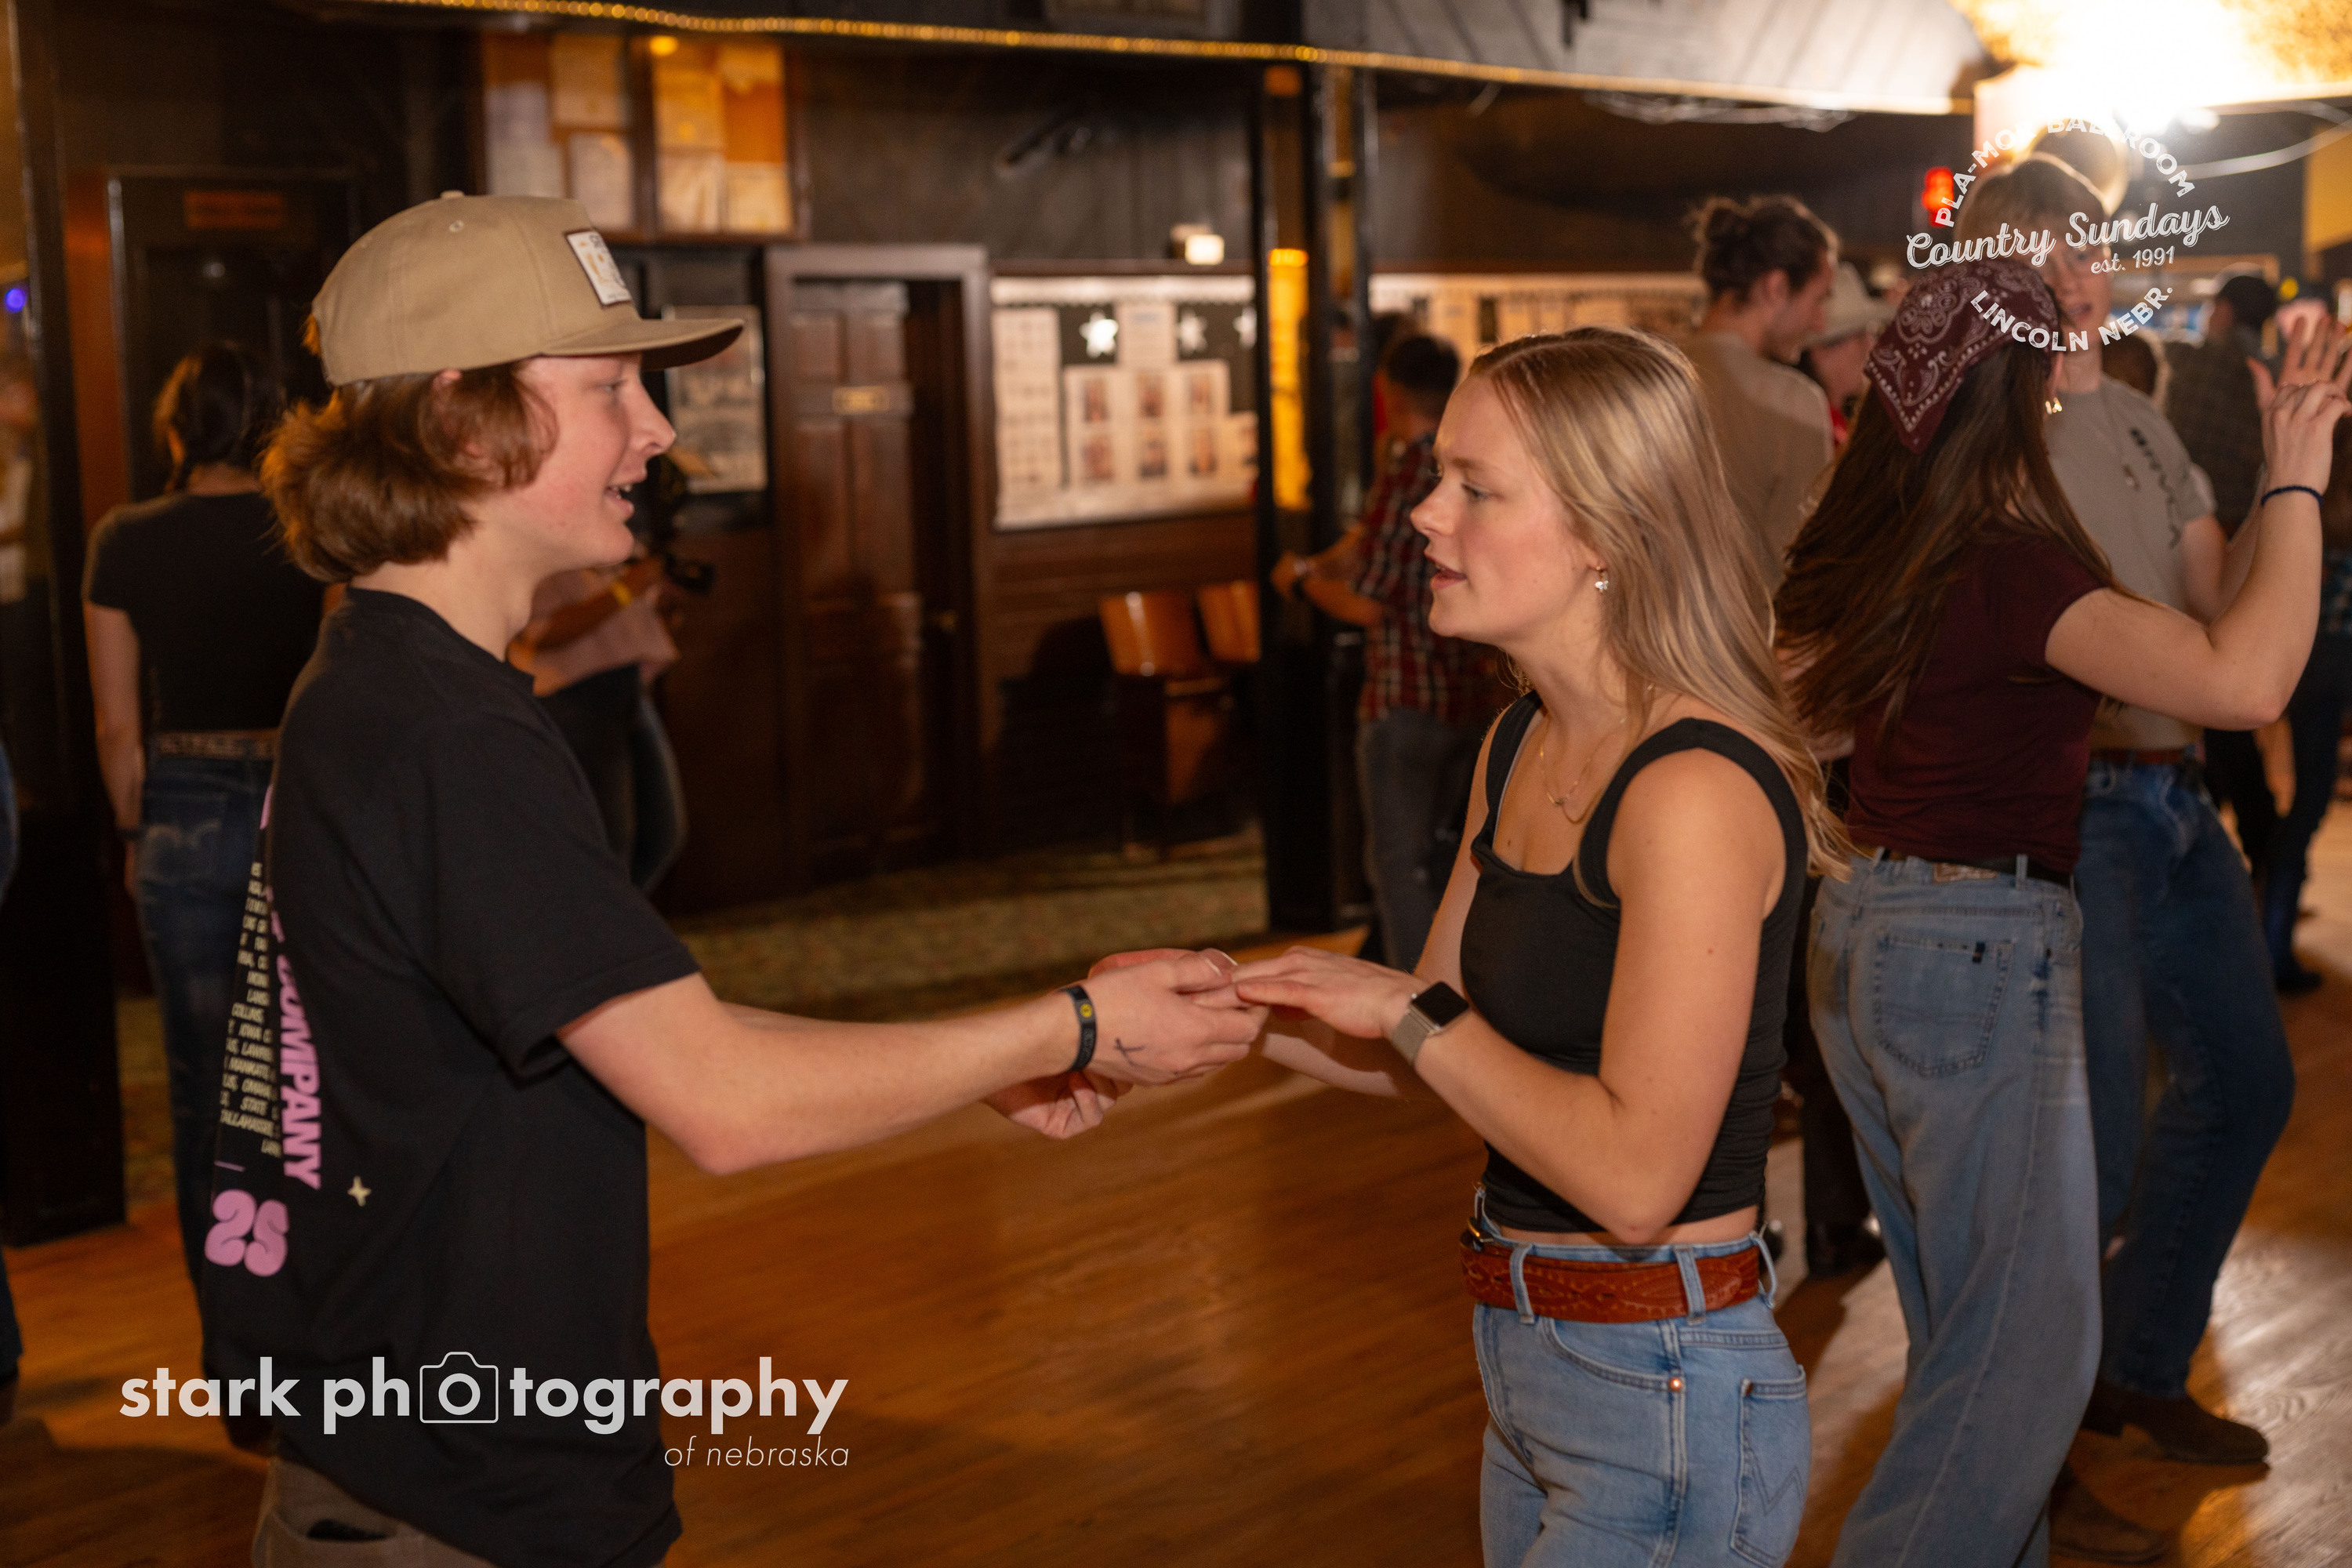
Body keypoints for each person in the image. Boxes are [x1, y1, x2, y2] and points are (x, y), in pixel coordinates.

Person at [203, 193, 1262, 1564]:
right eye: (609, 388)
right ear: (463, 422)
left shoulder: (389, 682)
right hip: (459, 1507)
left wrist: (977, 1063)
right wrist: (1074, 1025)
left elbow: (649, 1031)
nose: (654, 429)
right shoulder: (444, 735)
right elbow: (722, 1104)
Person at [1231, 325, 1841, 1566]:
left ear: (1605, 532)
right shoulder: (1520, 745)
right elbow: (1436, 1048)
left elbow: (1635, 1179)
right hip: (1531, 1368)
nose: (1426, 517)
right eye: (1438, 480)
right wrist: (1209, 1009)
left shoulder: (1693, 790)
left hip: (1665, 1381)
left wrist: (1401, 1009)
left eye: (1476, 487)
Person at [1777, 256, 2347, 1568]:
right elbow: (2247, 683)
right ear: (2018, 392)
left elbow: (1797, 714)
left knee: (1973, 1350)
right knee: (2024, 1363)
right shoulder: (2011, 563)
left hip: (1866, 935)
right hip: (1967, 948)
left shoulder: (1890, 536)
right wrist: (2298, 477)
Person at [1948, 158, 2296, 1563]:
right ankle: (2021, 1466)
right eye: (2040, 257)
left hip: (2170, 794)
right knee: (2073, 1165)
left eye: (2085, 248)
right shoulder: (1985, 437)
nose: (2074, 277)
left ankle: (2133, 1369)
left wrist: (2292, 473)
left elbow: (2220, 608)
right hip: (2068, 807)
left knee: (2248, 1084)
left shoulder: (2143, 420)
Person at [82, 343, 327, 1295]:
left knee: (204, 1091)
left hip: (181, 802)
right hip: (294, 803)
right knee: (305, 1078)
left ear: (177, 428)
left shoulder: (125, 536)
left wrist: (134, 831)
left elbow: (116, 725)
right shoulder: (308, 526)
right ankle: (314, 1314)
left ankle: (234, 1333)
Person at [1270, 332, 1497, 966]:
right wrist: (1319, 565)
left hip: (1405, 698)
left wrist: (1302, 584)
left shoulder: (1409, 472)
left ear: (1390, 392)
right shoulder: (1461, 470)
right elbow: (1369, 544)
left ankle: (1416, 1002)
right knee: (1448, 859)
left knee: (1398, 865)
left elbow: (1369, 602)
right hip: (1468, 696)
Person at [2169, 273, 2286, 913]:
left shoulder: (2195, 367)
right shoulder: (2269, 372)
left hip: (2193, 545)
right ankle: (2263, 860)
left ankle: (2219, 856)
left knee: (2211, 704)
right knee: (2237, 713)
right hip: (2259, 544)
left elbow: (2177, 468)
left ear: (2220, 310)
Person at [1683, 194, 1838, 589]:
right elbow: (1803, 563)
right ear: (1776, 287)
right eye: (1818, 300)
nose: (1820, 323)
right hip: (1751, 624)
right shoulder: (1794, 401)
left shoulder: (1641, 373)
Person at [510, 551, 686, 891]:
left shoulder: (617, 540)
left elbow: (637, 618)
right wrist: (626, 589)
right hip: (574, 698)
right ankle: (607, 921)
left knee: (662, 835)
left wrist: (663, 603)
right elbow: (539, 633)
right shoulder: (542, 545)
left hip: (630, 687)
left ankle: (618, 920)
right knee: (610, 846)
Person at [1798, 263, 1892, 448]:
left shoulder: (1833, 422)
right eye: (1860, 337)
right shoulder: (1812, 428)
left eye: (1873, 335)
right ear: (1820, 351)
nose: (1871, 347)